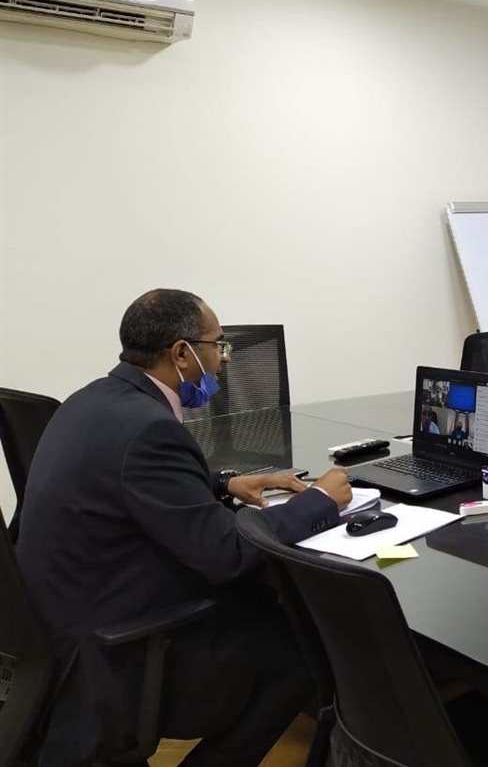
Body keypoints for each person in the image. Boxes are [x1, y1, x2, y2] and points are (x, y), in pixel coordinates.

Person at [17, 289, 352, 767]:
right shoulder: (151, 430)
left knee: (268, 607)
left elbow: (130, 476)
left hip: (62, 624)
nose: (223, 359)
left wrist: (225, 482)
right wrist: (319, 500)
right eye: (218, 345)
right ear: (181, 353)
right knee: (301, 646)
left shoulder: (92, 399)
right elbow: (228, 555)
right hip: (116, 653)